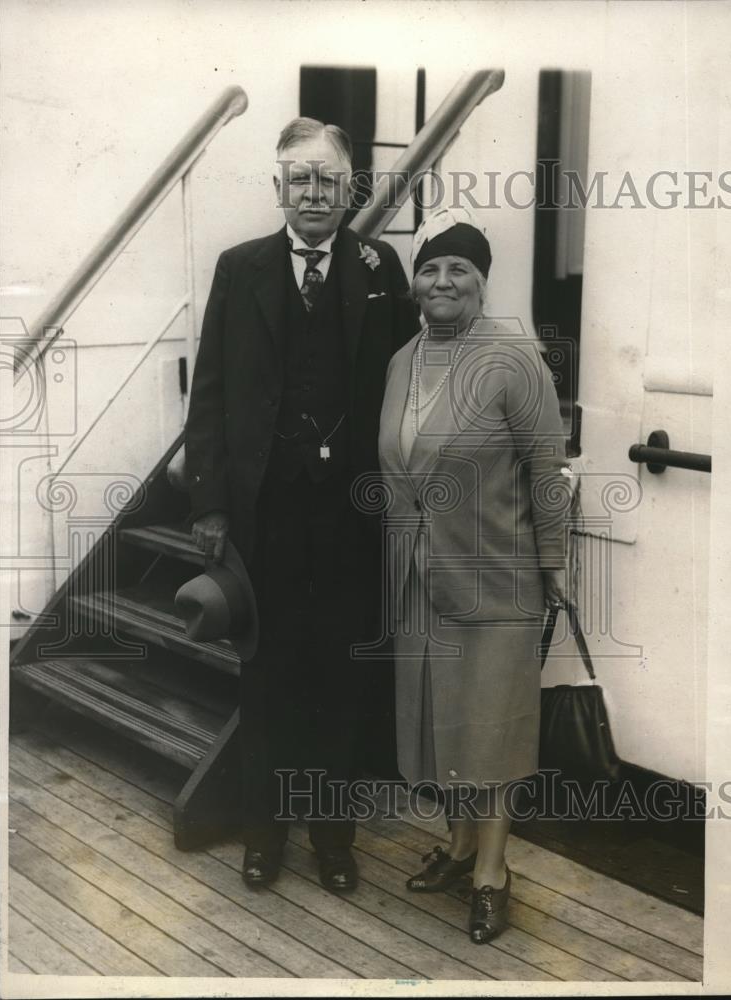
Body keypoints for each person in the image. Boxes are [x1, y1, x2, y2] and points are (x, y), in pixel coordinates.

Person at [184, 117, 417, 892]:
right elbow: (210, 394)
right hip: (266, 518)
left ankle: (334, 839)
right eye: (301, 178)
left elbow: (411, 387)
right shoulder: (239, 268)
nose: (315, 193)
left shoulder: (383, 268)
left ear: (350, 188)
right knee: (269, 678)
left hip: (352, 517)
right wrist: (210, 505)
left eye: (329, 179)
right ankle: (264, 834)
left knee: (338, 680)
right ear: (279, 186)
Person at [378, 208, 570, 942]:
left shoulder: (514, 358)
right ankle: (458, 848)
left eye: (460, 269)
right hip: (418, 577)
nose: (442, 280)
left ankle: (493, 869)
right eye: (430, 268)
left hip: (498, 576)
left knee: (490, 732)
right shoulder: (403, 360)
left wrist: (551, 564)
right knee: (440, 723)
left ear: (482, 285)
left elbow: (548, 469)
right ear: (415, 284)